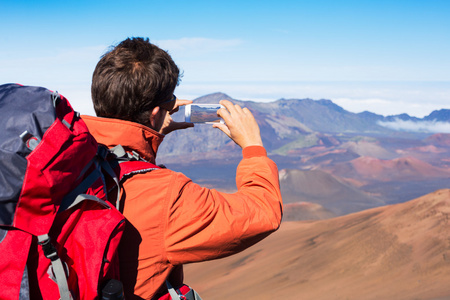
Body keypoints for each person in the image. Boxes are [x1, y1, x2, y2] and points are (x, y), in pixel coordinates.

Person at [82, 37, 283, 300]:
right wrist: (253, 146)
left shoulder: (72, 157)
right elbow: (264, 213)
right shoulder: (166, 195)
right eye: (169, 102)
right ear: (156, 113)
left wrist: (150, 135)